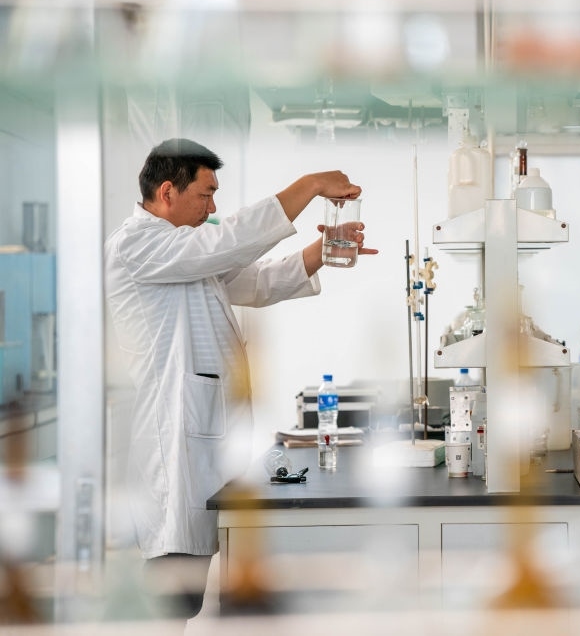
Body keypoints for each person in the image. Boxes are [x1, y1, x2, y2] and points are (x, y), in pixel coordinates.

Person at [105, 138, 377, 619]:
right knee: (171, 599)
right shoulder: (137, 245)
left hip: (202, 440)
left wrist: (323, 250)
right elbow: (225, 241)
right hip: (173, 446)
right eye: (206, 194)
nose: (212, 208)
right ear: (167, 192)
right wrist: (310, 185)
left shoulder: (182, 251)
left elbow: (256, 280)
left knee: (186, 596)